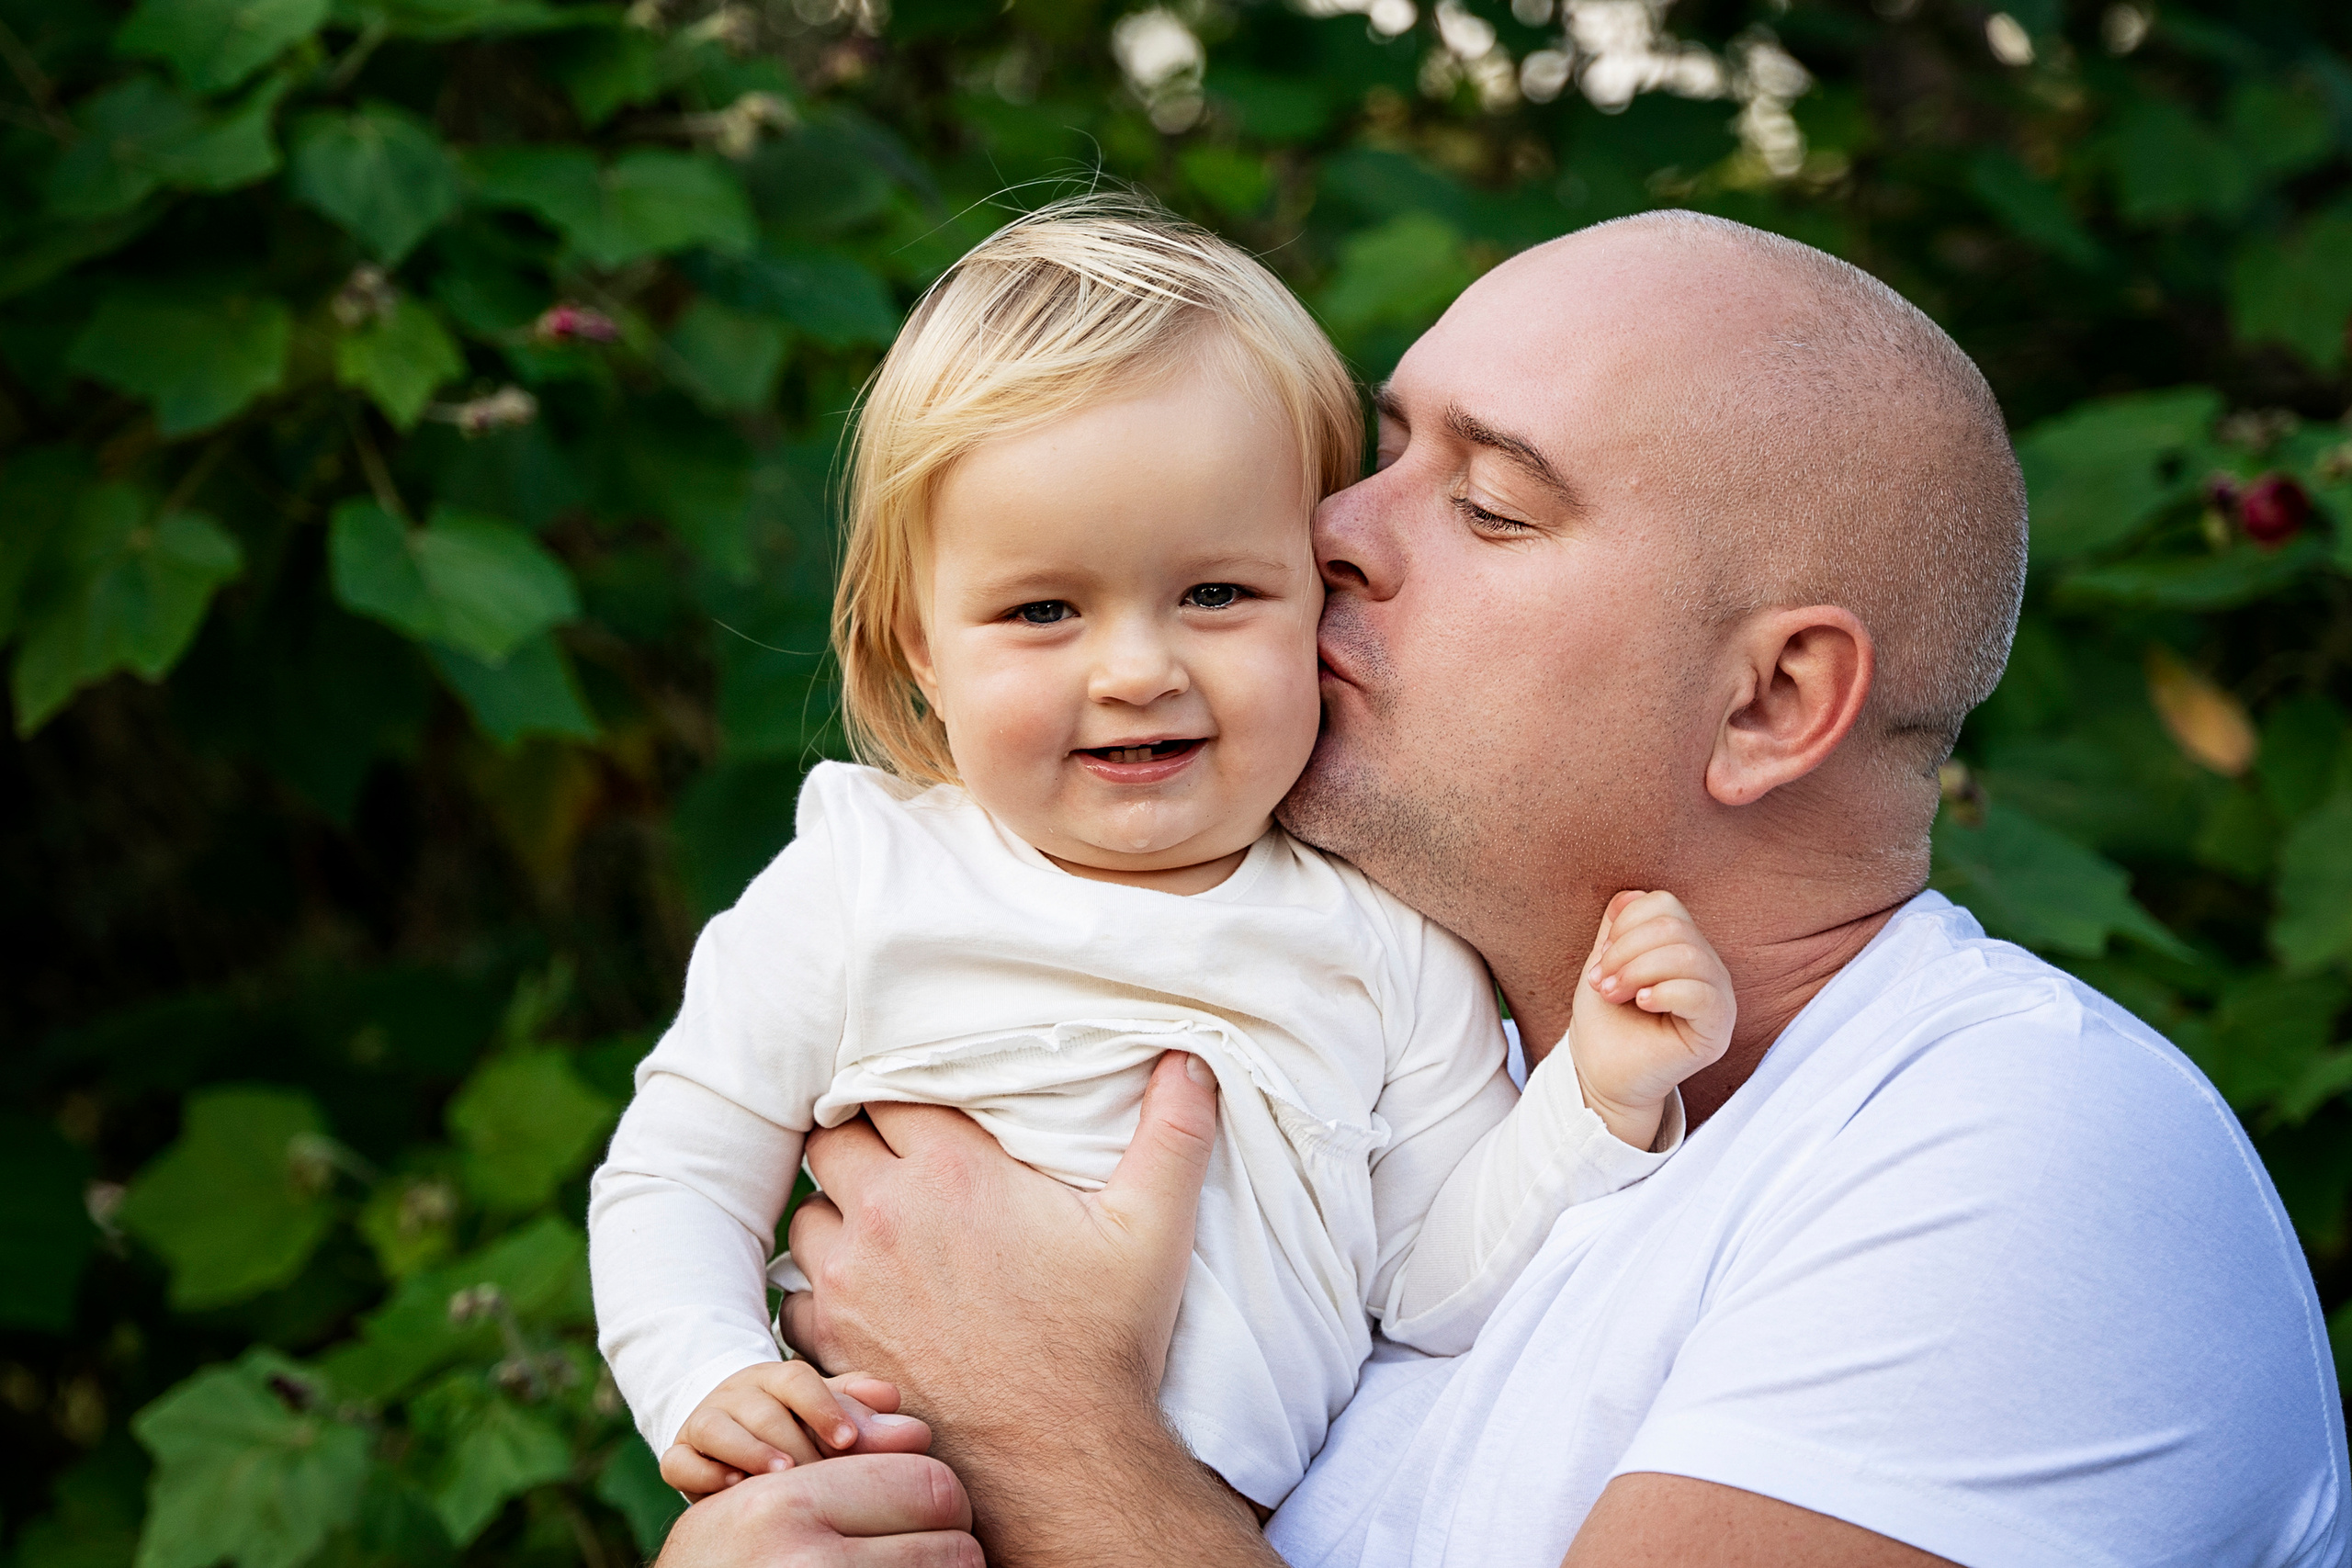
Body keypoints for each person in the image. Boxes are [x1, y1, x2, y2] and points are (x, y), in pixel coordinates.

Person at [656, 208, 2352, 1567]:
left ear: (1768, 704)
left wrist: (1045, 1425)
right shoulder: (1388, 1060)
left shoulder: (2016, 1160)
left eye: (1485, 503)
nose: (1329, 530)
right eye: (1375, 453)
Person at [588, 198, 1740, 1516]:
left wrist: (1593, 1099)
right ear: (920, 648)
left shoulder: (1386, 942)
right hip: (875, 1509)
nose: (1136, 671)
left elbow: (1434, 1288)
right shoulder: (863, 885)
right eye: (1042, 611)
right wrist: (704, 1373)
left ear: (1322, 596)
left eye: (1215, 594)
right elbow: (678, 1173)